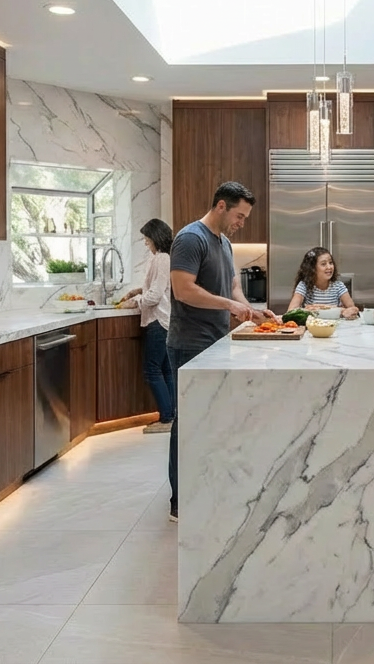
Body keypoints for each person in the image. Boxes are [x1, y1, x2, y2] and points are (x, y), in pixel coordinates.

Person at [166, 181, 276, 522]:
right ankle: (180, 502)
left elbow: (232, 287)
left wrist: (251, 311)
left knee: (210, 418)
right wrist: (229, 305)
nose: (242, 223)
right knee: (188, 421)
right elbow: (183, 290)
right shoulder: (190, 238)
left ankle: (205, 490)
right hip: (189, 342)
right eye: (239, 216)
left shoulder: (224, 243)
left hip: (216, 341)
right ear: (221, 206)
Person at [117, 219, 175, 435]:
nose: (145, 243)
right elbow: (159, 286)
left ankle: (167, 418)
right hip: (166, 321)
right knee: (166, 370)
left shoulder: (161, 258)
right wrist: (138, 291)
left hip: (158, 321)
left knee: (152, 370)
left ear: (155, 238)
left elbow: (155, 296)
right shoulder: (165, 258)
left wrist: (136, 301)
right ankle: (172, 416)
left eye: (147, 239)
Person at [288, 247, 359, 319]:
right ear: (312, 268)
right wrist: (308, 310)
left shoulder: (338, 286)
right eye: (323, 264)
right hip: (312, 325)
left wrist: (346, 312)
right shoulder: (304, 285)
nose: (329, 267)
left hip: (334, 325)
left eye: (330, 263)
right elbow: (290, 311)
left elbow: (353, 310)